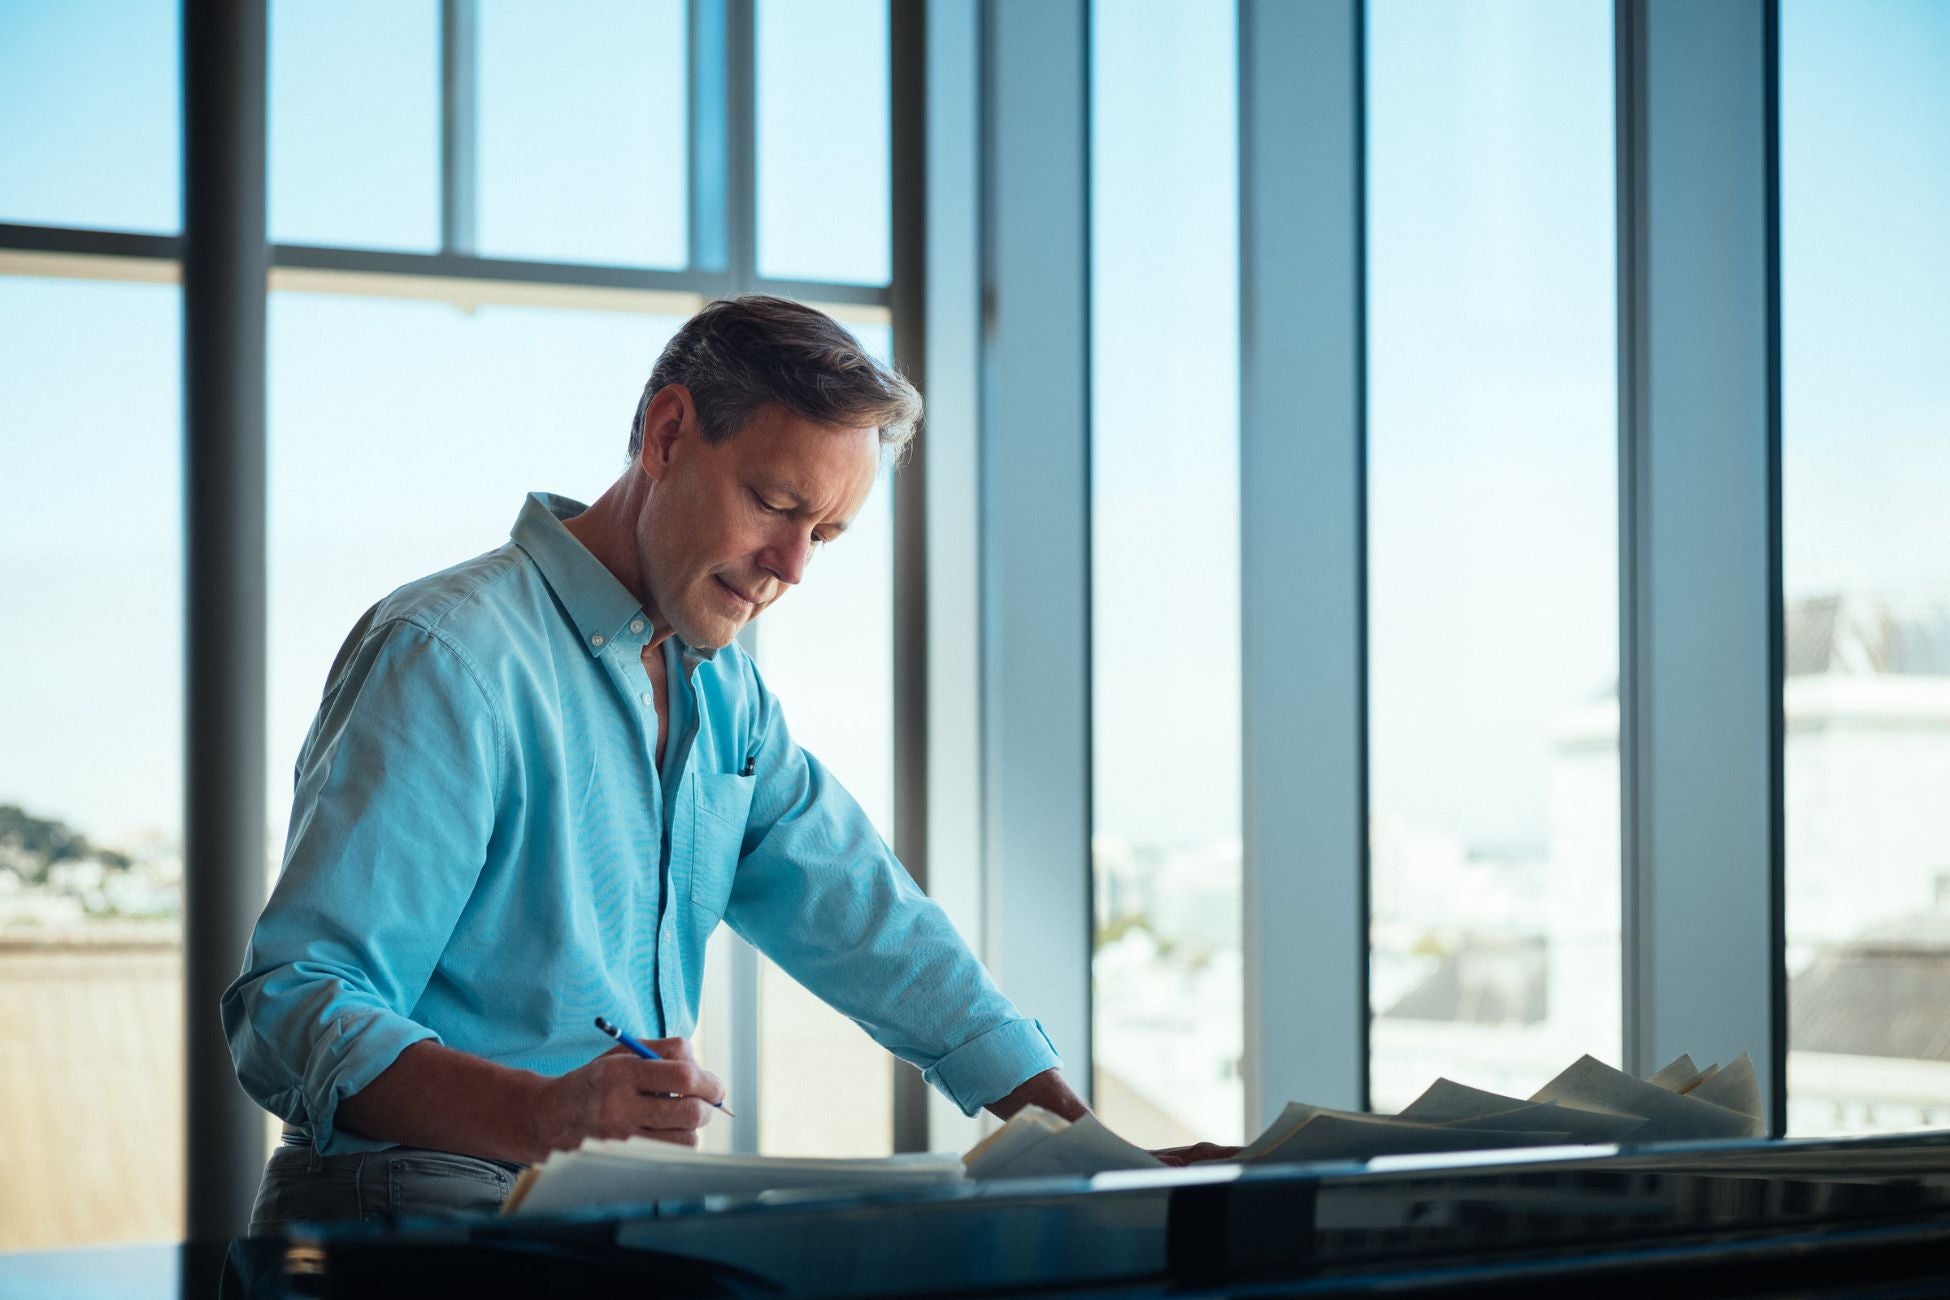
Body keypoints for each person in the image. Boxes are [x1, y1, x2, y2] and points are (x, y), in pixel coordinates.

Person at [226, 296, 1222, 1234]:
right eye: (774, 503)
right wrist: (551, 1113)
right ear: (667, 436)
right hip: (406, 1222)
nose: (792, 568)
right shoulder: (453, 654)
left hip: (602, 1227)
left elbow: (876, 925)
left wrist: (1086, 1147)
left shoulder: (726, 698)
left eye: (823, 535)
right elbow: (294, 1002)